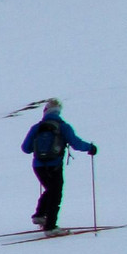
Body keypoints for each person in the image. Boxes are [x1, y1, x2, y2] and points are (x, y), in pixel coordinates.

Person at [21, 98, 97, 235]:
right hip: (54, 165)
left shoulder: (36, 127)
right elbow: (76, 143)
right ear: (58, 112)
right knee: (55, 193)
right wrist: (90, 148)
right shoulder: (63, 126)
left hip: (38, 166)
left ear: (45, 111)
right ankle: (50, 227)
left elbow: (25, 149)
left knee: (51, 190)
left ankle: (39, 215)